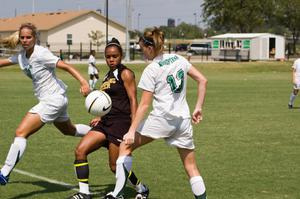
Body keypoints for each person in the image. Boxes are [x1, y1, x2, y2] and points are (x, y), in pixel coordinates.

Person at [104, 27, 208, 199]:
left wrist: (131, 131)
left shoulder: (151, 69)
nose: (142, 52)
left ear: (149, 47)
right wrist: (198, 107)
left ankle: (116, 195)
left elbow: (144, 105)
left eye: (142, 48)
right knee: (191, 167)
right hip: (183, 121)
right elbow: (202, 80)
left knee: (125, 145)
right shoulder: (178, 59)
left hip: (162, 120)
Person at [0, 23, 91, 185]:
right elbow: (4, 62)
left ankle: (4, 172)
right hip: (56, 99)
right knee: (69, 130)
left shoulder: (42, 53)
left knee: (21, 132)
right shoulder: (21, 56)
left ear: (35, 38)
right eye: (23, 37)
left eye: (29, 37)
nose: (25, 40)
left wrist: (84, 82)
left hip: (53, 100)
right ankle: (101, 135)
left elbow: (66, 66)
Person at [69, 38, 149, 199]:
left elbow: (133, 100)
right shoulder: (107, 75)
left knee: (114, 166)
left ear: (121, 56)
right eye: (108, 56)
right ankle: (84, 193)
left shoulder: (125, 73)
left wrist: (133, 127)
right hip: (105, 122)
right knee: (80, 151)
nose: (111, 59)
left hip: (121, 124)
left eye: (115, 56)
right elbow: (109, 102)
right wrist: (100, 116)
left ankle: (141, 188)